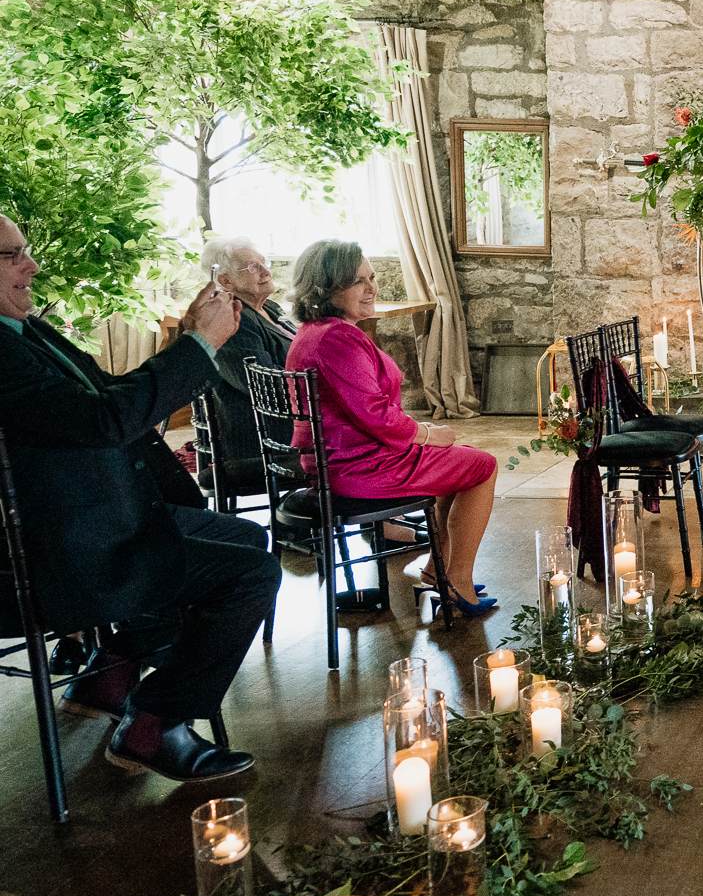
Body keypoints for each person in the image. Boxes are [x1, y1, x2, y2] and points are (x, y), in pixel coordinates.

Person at [0, 213, 276, 782]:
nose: (31, 266)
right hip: (61, 552)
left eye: (25, 250)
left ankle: (110, 673)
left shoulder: (21, 329)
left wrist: (186, 346)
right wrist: (199, 345)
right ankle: (152, 725)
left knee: (244, 536)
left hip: (99, 518)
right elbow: (102, 420)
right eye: (11, 257)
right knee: (250, 575)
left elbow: (106, 393)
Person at [283, 241, 498, 614]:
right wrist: (429, 433)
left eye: (372, 277)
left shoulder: (316, 331)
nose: (371, 288)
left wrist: (421, 430)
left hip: (344, 459)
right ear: (326, 288)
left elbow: (364, 410)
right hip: (358, 469)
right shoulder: (336, 339)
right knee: (482, 466)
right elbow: (376, 415)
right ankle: (457, 580)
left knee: (459, 460)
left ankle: (438, 568)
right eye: (357, 282)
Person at [198, 235, 296, 496]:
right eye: (253, 267)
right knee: (362, 441)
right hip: (261, 441)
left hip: (289, 426)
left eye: (265, 263)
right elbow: (268, 389)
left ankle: (384, 518)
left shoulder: (270, 309)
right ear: (225, 280)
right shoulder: (232, 320)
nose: (266, 272)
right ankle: (380, 520)